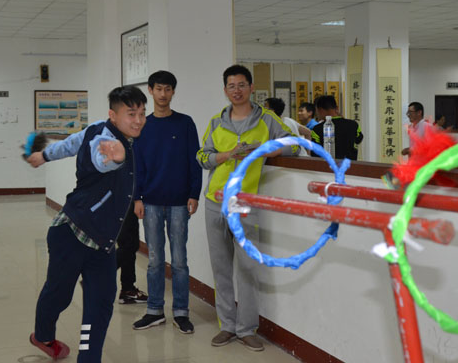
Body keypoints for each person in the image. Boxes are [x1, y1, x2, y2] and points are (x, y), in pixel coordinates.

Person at [26, 86, 147, 362]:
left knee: (100, 304)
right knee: (59, 294)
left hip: (103, 243)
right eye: (131, 114)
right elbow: (99, 159)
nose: (139, 120)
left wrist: (44, 155)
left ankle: (88, 358)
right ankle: (42, 335)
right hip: (72, 233)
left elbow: (70, 144)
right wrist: (114, 158)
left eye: (142, 113)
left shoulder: (108, 133)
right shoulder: (103, 138)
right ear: (113, 115)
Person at [197, 65, 299, 352]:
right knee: (221, 268)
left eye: (242, 85)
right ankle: (227, 326)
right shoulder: (216, 121)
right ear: (225, 90)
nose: (237, 90)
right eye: (231, 86)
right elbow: (202, 156)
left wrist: (267, 150)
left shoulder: (267, 119)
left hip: (245, 202)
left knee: (247, 268)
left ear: (252, 87)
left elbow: (294, 145)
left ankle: (246, 328)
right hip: (215, 201)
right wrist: (226, 155)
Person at [132, 70, 202, 334]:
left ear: (173, 91)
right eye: (158, 89)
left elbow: (195, 161)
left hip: (179, 202)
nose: (163, 94)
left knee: (180, 261)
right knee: (154, 260)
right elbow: (137, 166)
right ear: (150, 90)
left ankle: (181, 312)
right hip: (150, 202)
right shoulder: (143, 125)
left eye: (168, 89)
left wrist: (194, 193)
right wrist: (137, 197)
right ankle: (154, 310)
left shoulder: (185, 123)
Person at [310, 95, 363, 160]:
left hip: (328, 165)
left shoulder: (317, 129)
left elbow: (314, 153)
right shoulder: (353, 124)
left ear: (320, 110)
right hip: (351, 165)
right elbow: (359, 139)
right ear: (336, 108)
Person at [115, 203, 147, 305]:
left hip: (127, 200)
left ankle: (128, 289)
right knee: (129, 244)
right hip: (125, 199)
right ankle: (97, 275)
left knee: (130, 244)